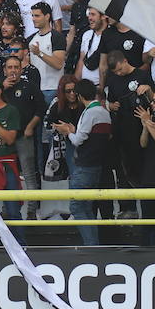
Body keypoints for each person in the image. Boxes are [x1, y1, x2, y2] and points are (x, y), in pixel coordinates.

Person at [50, 78, 110, 246]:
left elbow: (77, 140)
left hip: (85, 166)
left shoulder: (90, 112)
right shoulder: (103, 111)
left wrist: (67, 131)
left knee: (77, 207)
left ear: (80, 95)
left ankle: (92, 245)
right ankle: (93, 244)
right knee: (85, 207)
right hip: (95, 165)